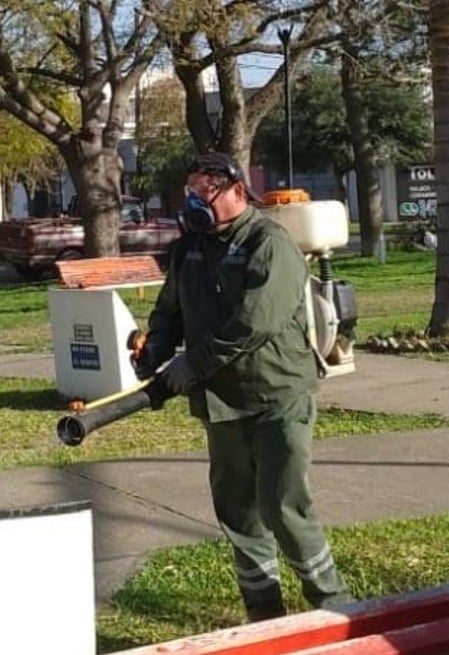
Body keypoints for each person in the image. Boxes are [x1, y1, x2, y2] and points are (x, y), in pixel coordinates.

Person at [134, 152, 351, 622]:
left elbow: (256, 322)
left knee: (282, 506)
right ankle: (264, 616)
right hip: (221, 402)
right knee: (238, 514)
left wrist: (194, 362)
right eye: (191, 192)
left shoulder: (269, 243)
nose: (196, 201)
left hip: (277, 395)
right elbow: (170, 309)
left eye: (205, 192)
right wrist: (156, 348)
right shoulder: (190, 248)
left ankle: (335, 606)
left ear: (237, 191)